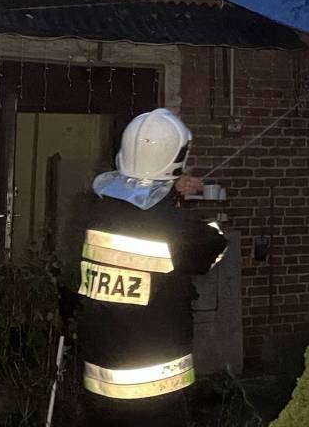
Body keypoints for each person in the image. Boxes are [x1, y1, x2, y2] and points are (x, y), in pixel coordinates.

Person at [77, 108, 227, 427]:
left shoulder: (92, 214)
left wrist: (166, 190)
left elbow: (135, 208)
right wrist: (180, 202)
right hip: (157, 393)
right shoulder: (173, 228)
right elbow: (214, 246)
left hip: (100, 382)